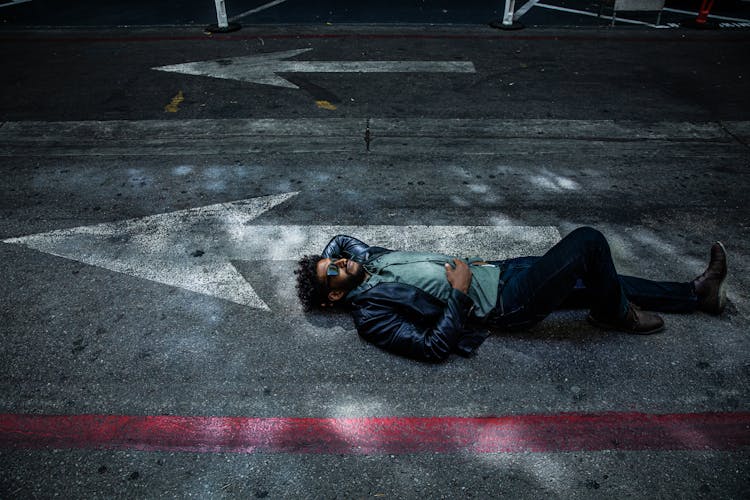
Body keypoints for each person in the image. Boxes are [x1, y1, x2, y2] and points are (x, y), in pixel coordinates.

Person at [294, 227, 728, 362]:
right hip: (505, 302)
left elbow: (341, 240)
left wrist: (324, 259)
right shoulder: (370, 314)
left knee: (598, 276)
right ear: (334, 297)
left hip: (501, 271)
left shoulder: (370, 261)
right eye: (331, 272)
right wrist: (461, 294)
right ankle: (616, 315)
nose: (338, 262)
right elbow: (430, 347)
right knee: (588, 243)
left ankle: (697, 294)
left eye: (332, 261)